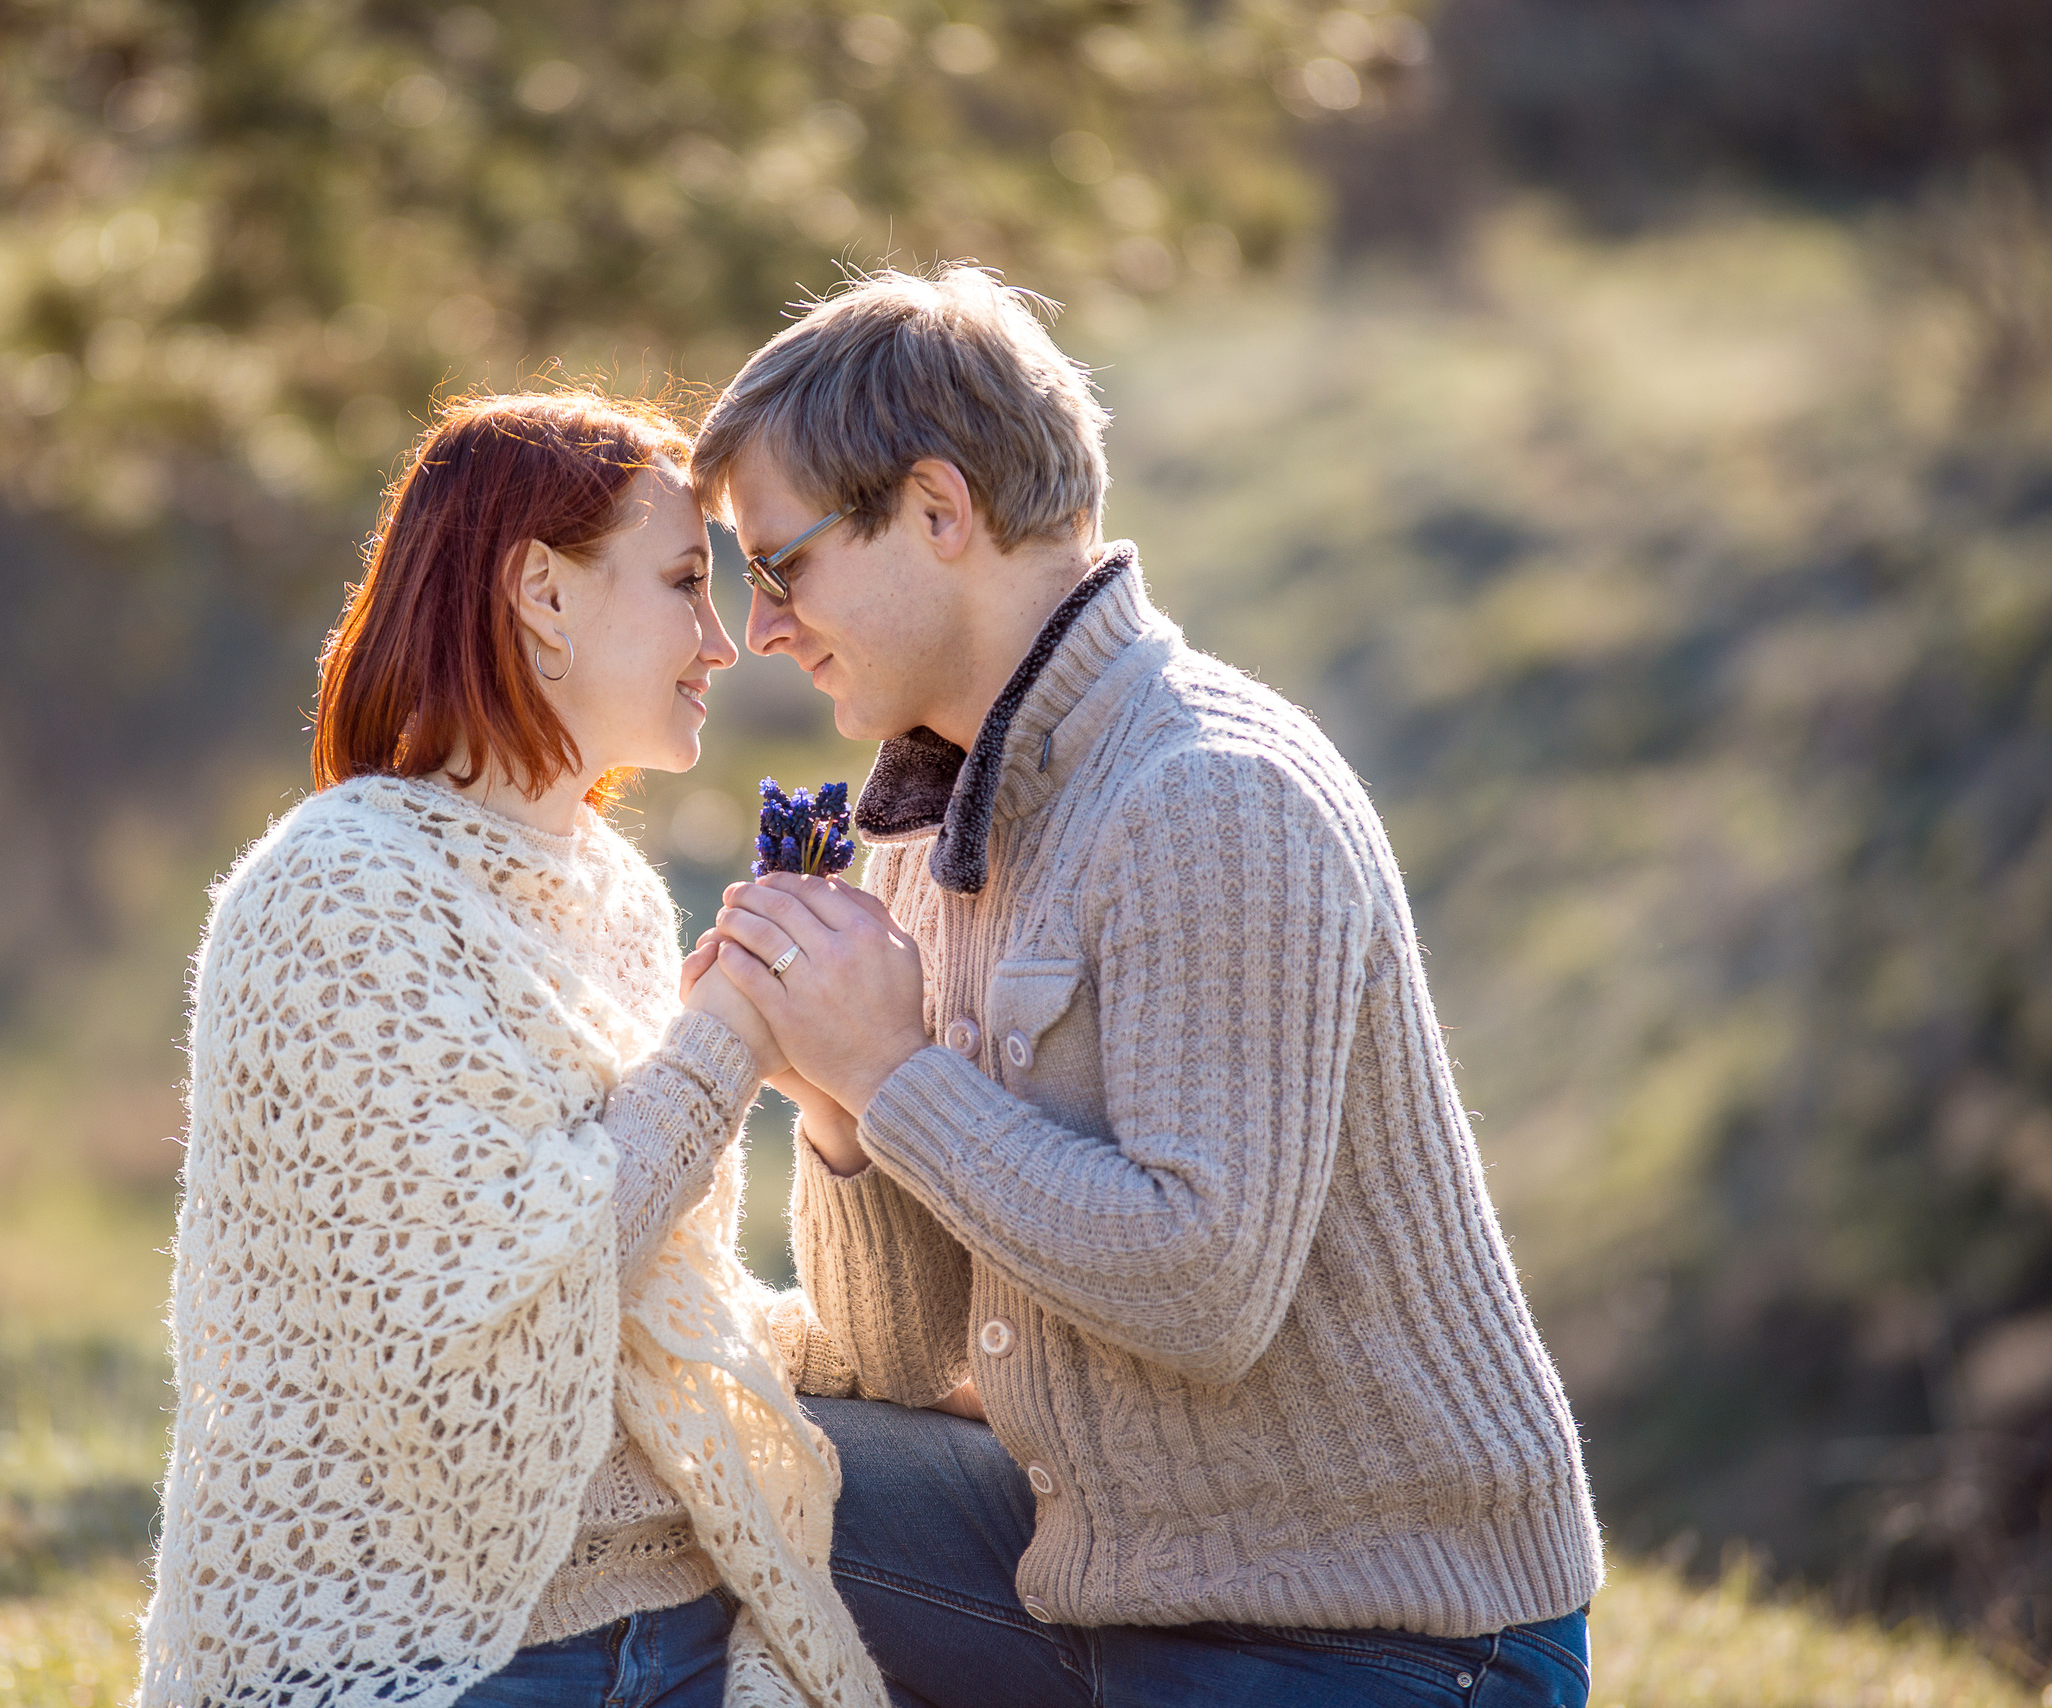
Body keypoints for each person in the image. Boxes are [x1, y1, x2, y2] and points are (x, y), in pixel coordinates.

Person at [683, 268, 1606, 1707]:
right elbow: (897, 1352)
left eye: (781, 564)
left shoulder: (1210, 796)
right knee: (659, 1452)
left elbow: (1203, 1289)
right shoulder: (934, 831)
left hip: (1379, 1639)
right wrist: (840, 1119)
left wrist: (889, 1075)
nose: (761, 627)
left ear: (939, 510)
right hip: (1101, 1575)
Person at [136, 391, 886, 1708]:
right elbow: (496, 1321)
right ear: (542, 590)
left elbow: (661, 1304)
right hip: (450, 1657)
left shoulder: (612, 896)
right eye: (678, 583)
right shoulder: (340, 897)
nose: (722, 643)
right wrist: (724, 1042)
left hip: (676, 1617)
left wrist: (842, 1110)